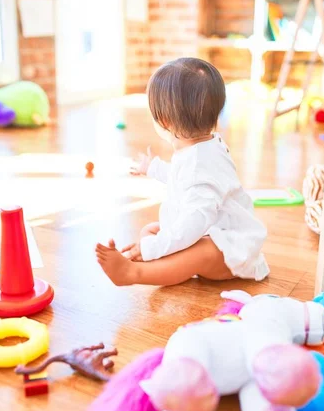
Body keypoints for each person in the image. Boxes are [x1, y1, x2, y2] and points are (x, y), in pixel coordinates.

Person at [96, 58, 269, 286]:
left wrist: (149, 248)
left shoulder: (201, 169)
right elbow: (183, 180)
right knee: (153, 229)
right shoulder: (202, 148)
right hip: (210, 227)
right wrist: (154, 168)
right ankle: (170, 266)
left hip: (231, 251)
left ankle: (134, 274)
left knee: (200, 249)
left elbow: (191, 223)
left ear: (165, 121)